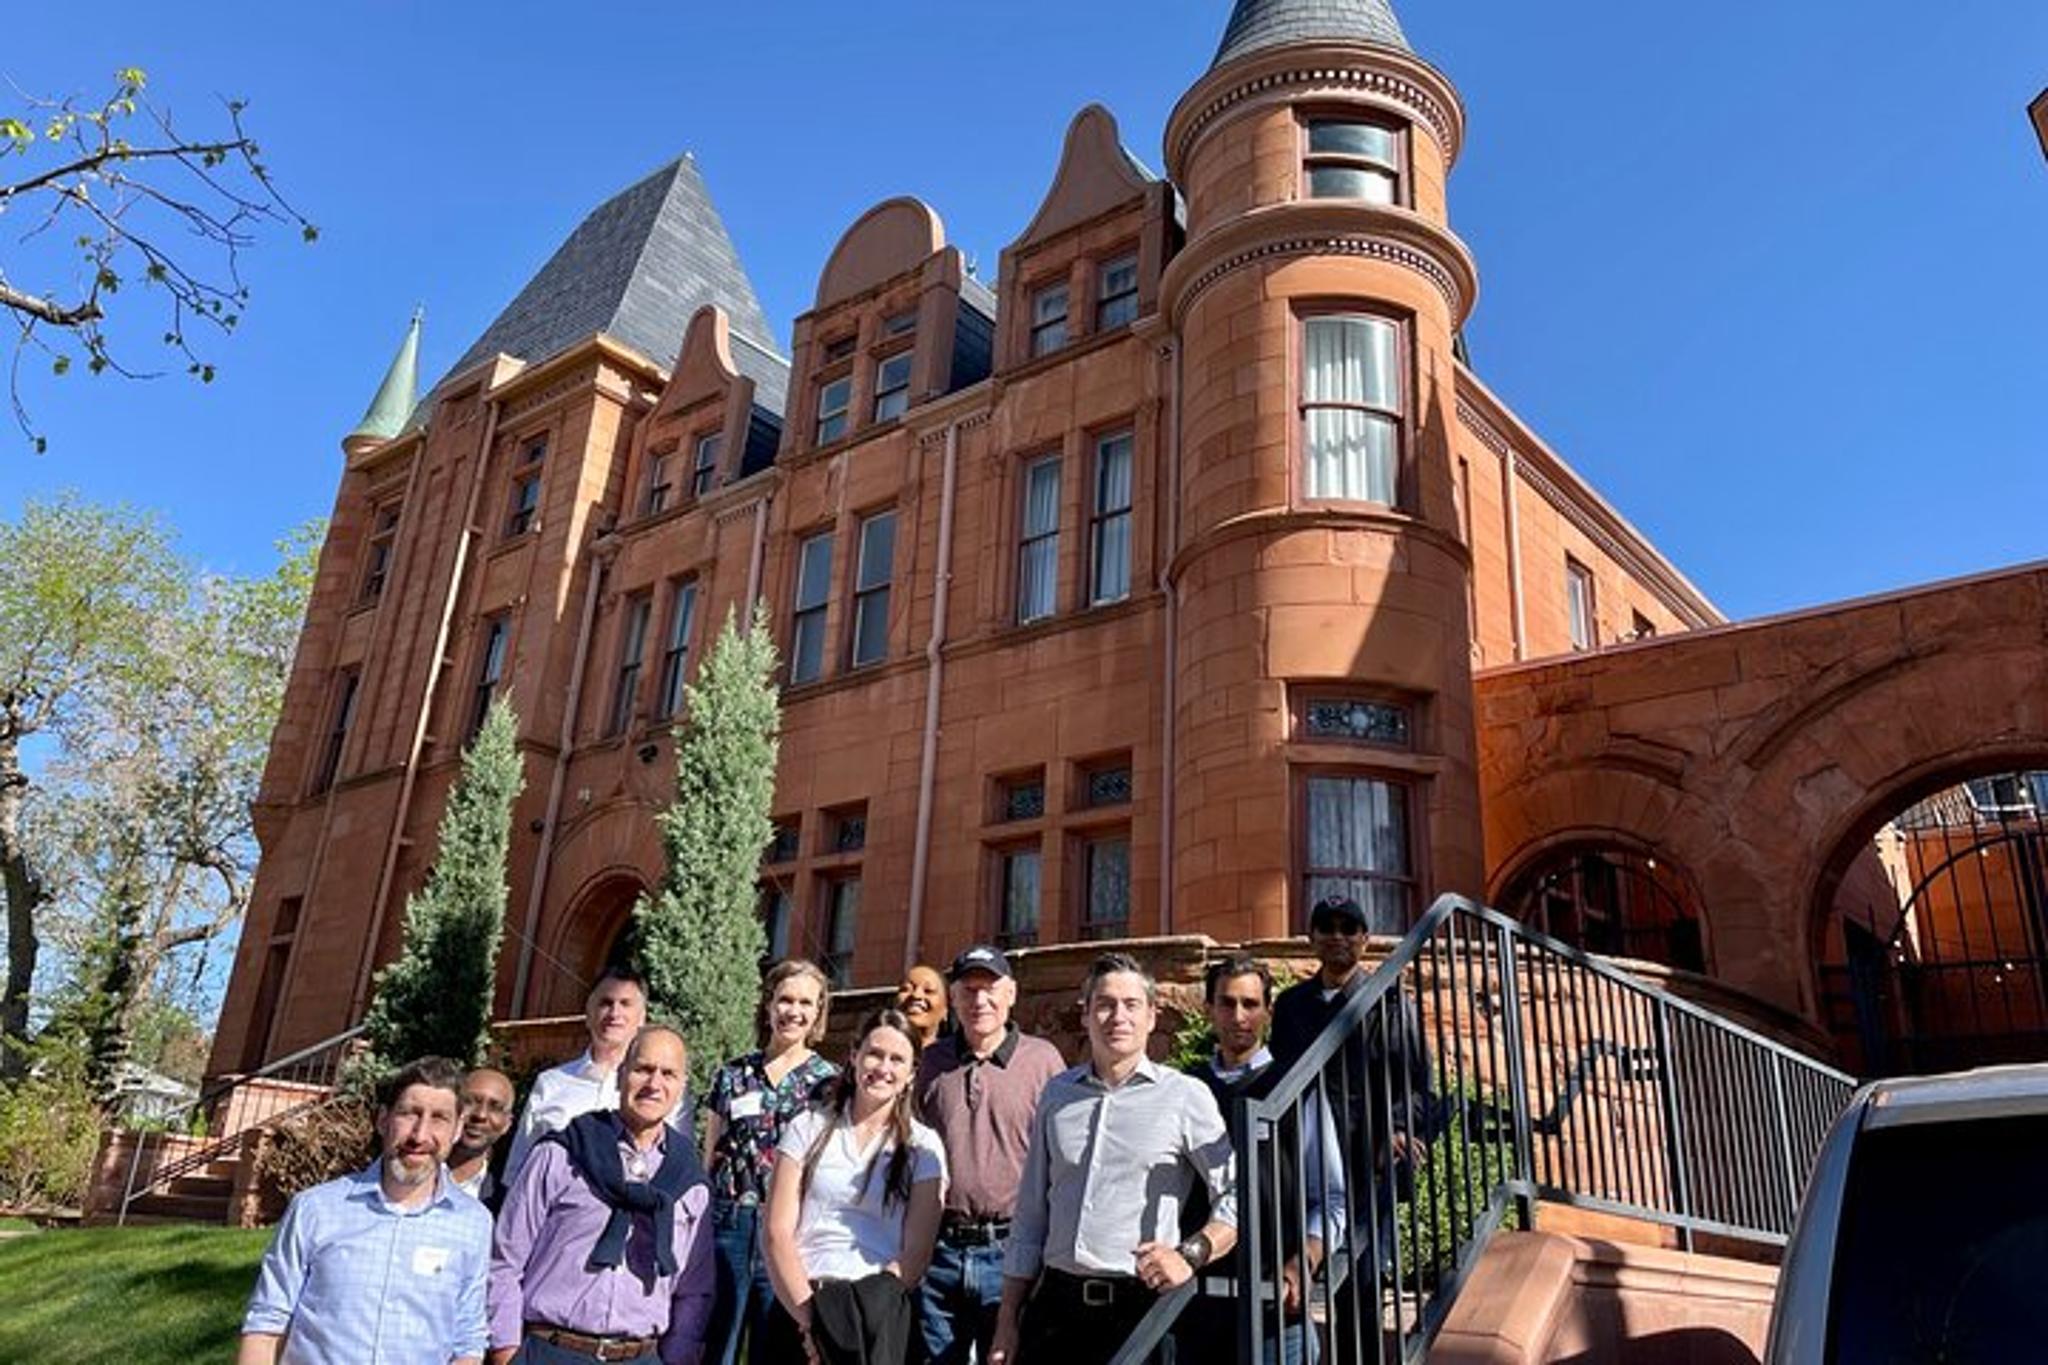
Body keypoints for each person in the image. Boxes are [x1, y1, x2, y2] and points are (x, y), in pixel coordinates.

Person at [992, 953, 1238, 1365]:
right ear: (1086, 1015)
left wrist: (1190, 1254)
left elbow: (1234, 1195)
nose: (1117, 1016)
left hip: (1140, 1308)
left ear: (1152, 1016)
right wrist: (1007, 1317)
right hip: (1056, 1308)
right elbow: (1032, 1214)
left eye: (1131, 1005)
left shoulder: (1184, 1096)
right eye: (1105, 1004)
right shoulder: (1057, 1094)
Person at [1268, 895, 1438, 1357]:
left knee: (1359, 1287)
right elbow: (1278, 1078)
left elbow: (1418, 1083)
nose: (1337, 935)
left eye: (1349, 927)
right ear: (1312, 938)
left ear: (1365, 939)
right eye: (1327, 926)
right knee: (1291, 1281)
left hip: (1364, 1164)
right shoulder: (1290, 1006)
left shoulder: (1387, 1002)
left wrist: (1399, 1130)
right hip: (1300, 1164)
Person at [240, 1055, 492, 1365]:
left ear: (456, 1131)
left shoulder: (473, 1222)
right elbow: (266, 1321)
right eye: (409, 1114)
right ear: (383, 1120)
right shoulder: (315, 1209)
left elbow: (467, 1338)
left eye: (439, 1118)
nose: (419, 1135)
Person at [486, 1026, 714, 1365]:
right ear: (621, 1075)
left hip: (642, 1357)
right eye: (643, 1069)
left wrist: (678, 1357)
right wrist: (506, 1351)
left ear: (681, 1087)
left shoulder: (689, 1183)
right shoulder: (561, 1153)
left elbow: (695, 1289)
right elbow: (504, 1259)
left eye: (668, 1074)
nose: (654, 1083)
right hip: (550, 1351)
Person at [1178, 954, 1346, 1365]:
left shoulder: (1296, 1086)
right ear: (1209, 1009)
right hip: (1192, 1303)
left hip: (1274, 1306)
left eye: (1250, 1004)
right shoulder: (1184, 1088)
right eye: (1227, 1003)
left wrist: (1304, 1260)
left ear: (1268, 1012)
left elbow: (1330, 1197)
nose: (1239, 1015)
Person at [761, 1008, 947, 1365]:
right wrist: (815, 1325)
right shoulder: (806, 1128)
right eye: (875, 1054)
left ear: (911, 1074)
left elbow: (916, 1253)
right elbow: (776, 1233)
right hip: (803, 1304)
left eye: (897, 1059)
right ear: (854, 1056)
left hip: (877, 1318)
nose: (883, 1068)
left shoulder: (924, 1147)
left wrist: (862, 1318)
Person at [913, 945, 1065, 1365]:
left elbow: (1060, 1158)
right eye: (969, 989)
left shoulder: (1043, 1061)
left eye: (990, 988)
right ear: (954, 998)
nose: (980, 1000)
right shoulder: (929, 1064)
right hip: (938, 1251)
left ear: (1011, 993)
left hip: (1011, 1252)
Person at [699, 959, 839, 1365]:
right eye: (785, 1000)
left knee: (774, 1348)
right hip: (731, 1226)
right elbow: (711, 1157)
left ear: (817, 1013)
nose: (793, 1011)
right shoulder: (732, 1075)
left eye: (805, 1003)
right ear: (769, 1005)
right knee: (717, 1344)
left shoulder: (830, 1084)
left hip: (789, 1233)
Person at [505, 966, 680, 1186]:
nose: (614, 1013)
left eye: (625, 1004)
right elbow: (517, 1171)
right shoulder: (551, 1084)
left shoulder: (659, 1092)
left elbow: (674, 1170)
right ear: (588, 1015)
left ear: (642, 1019)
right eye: (606, 1003)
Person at [450, 1067, 517, 1208]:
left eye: (495, 1107)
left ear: (507, 1124)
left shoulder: (505, 1201)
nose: (480, 1115)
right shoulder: (412, 1170)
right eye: (470, 1102)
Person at [895, 963, 950, 1049]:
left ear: (945, 1010)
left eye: (928, 990)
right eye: (906, 988)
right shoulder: (876, 1050)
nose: (916, 995)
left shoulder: (955, 1059)